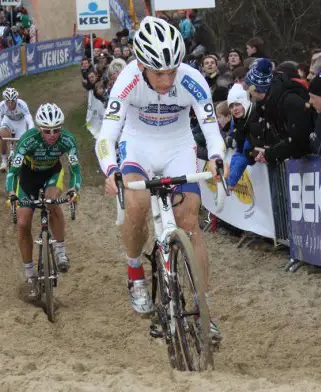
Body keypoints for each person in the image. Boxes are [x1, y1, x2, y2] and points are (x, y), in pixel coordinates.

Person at [94, 16, 227, 343]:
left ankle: (202, 306)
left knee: (189, 222)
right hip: (138, 144)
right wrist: (111, 170)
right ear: (140, 65)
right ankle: (135, 270)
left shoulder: (192, 79)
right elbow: (106, 136)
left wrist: (216, 157)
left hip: (179, 145)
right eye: (158, 73)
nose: (167, 80)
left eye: (172, 71)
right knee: (136, 205)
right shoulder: (126, 81)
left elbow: (212, 131)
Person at [6, 103, 82, 298]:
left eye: (56, 130)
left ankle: (60, 251)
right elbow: (13, 172)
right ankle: (30, 274)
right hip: (28, 176)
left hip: (51, 174)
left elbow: (75, 170)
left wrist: (74, 189)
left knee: (52, 202)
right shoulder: (27, 140)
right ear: (39, 128)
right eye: (47, 131)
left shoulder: (67, 140)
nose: (52, 135)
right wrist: (11, 194)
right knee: (23, 223)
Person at [0, 87, 35, 172]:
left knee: (23, 144)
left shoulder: (22, 105)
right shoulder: (1, 106)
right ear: (4, 100)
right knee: (2, 135)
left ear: (16, 100)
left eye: (12, 102)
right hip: (8, 121)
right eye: (8, 102)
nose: (10, 104)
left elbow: (29, 119)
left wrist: (31, 131)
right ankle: (4, 161)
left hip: (20, 123)